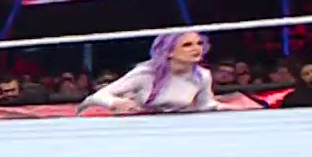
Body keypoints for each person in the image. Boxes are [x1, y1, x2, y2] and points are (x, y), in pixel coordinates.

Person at [77, 31, 222, 114]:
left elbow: (205, 105)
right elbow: (98, 96)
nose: (196, 49)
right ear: (169, 51)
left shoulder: (202, 75)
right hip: (132, 124)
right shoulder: (147, 73)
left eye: (199, 43)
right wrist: (116, 102)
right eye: (187, 45)